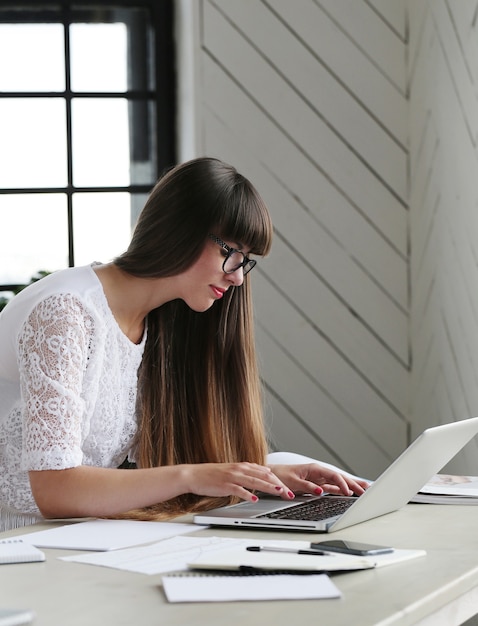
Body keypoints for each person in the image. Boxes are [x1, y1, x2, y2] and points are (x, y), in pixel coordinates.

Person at [0, 157, 368, 531]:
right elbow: (55, 491)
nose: (239, 277)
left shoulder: (160, 321)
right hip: (18, 550)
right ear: (181, 230)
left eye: (246, 260)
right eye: (231, 252)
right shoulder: (66, 312)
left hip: (77, 539)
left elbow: (154, 467)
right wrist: (191, 476)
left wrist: (265, 473)